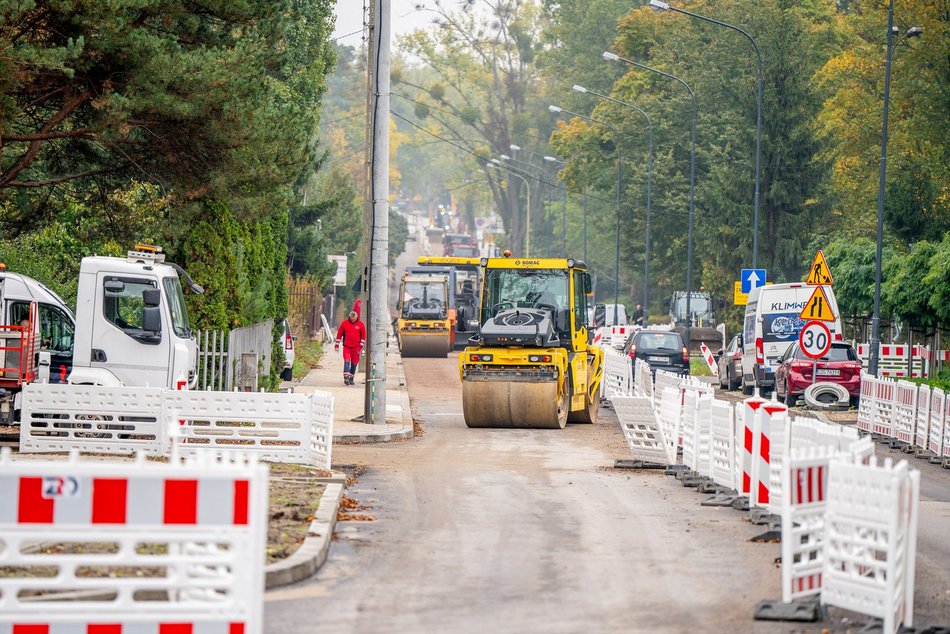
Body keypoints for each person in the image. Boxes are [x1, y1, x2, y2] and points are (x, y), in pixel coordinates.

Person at [335, 311, 366, 385]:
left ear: (356, 317)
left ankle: (351, 378)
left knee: (354, 363)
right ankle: (346, 377)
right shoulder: (344, 323)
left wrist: (360, 346)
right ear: (349, 317)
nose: (353, 320)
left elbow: (363, 336)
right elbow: (339, 334)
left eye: (354, 319)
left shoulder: (361, 324)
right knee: (347, 360)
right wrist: (337, 344)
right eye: (352, 319)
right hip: (347, 347)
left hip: (356, 347)